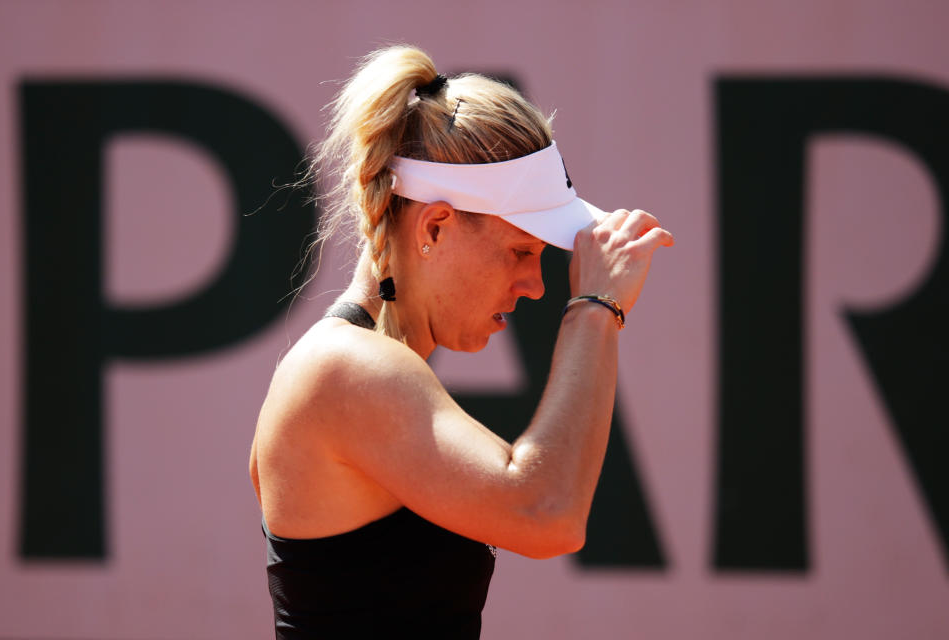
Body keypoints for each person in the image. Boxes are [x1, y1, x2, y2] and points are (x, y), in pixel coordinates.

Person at [248, 45, 674, 639]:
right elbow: (546, 513)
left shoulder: (366, 367)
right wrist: (595, 308)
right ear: (435, 226)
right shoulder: (344, 369)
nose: (534, 285)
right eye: (520, 251)